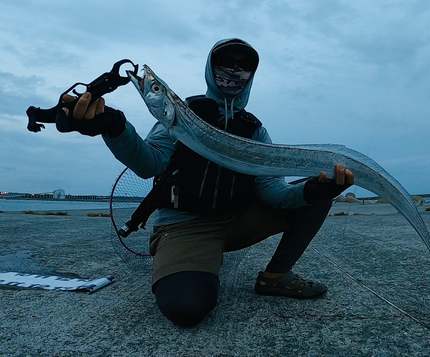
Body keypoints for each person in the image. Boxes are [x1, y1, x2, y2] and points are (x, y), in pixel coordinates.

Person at [59, 38, 354, 327]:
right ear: (210, 67)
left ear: (252, 75)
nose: (234, 71)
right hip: (186, 225)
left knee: (316, 195)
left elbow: (272, 191)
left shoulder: (255, 130)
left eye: (243, 65)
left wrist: (313, 190)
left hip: (239, 218)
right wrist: (115, 128)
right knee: (186, 307)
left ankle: (276, 275)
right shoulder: (182, 114)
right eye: (225, 63)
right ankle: (193, 260)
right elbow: (149, 163)